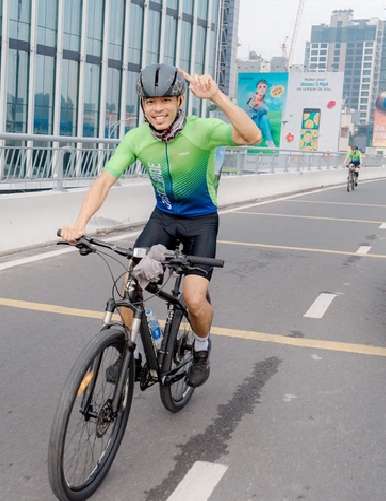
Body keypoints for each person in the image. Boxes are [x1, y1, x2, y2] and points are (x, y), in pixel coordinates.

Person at [60, 63, 262, 388]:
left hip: (201, 222)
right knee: (129, 286)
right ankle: (131, 352)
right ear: (142, 105)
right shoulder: (137, 139)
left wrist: (217, 97)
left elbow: (253, 136)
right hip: (163, 218)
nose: (158, 109)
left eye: (166, 100)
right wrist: (79, 224)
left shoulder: (202, 130)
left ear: (180, 101)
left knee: (194, 300)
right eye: (151, 102)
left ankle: (201, 346)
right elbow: (103, 182)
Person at [245, 80, 276, 148]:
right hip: (251, 119)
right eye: (260, 87)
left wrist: (259, 107)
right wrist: (257, 106)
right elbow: (250, 104)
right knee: (264, 118)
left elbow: (266, 110)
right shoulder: (251, 95)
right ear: (257, 89)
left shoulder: (264, 101)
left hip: (260, 120)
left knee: (265, 118)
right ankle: (251, 140)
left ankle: (269, 140)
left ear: (266, 89)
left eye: (264, 87)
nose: (262, 88)